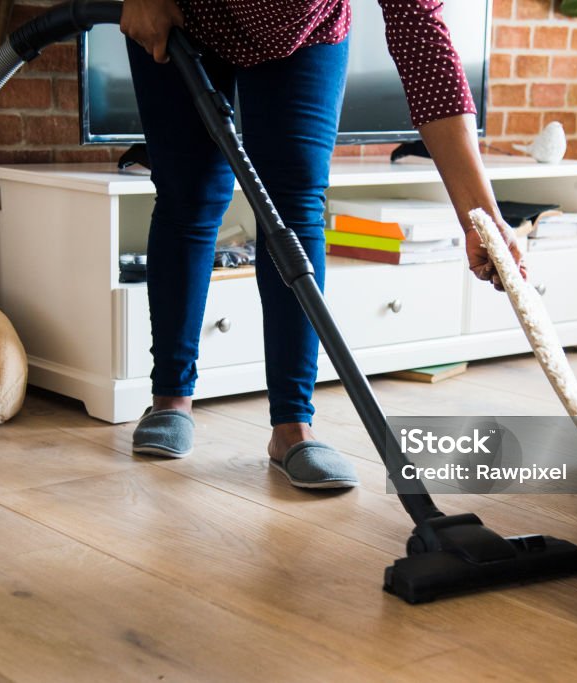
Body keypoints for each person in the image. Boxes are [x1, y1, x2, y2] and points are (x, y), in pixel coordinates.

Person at [122, 0, 526, 489]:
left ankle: (292, 427)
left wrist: (480, 218)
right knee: (190, 196)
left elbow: (425, 50)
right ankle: (170, 398)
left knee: (292, 208)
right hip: (186, 12)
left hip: (302, 31)